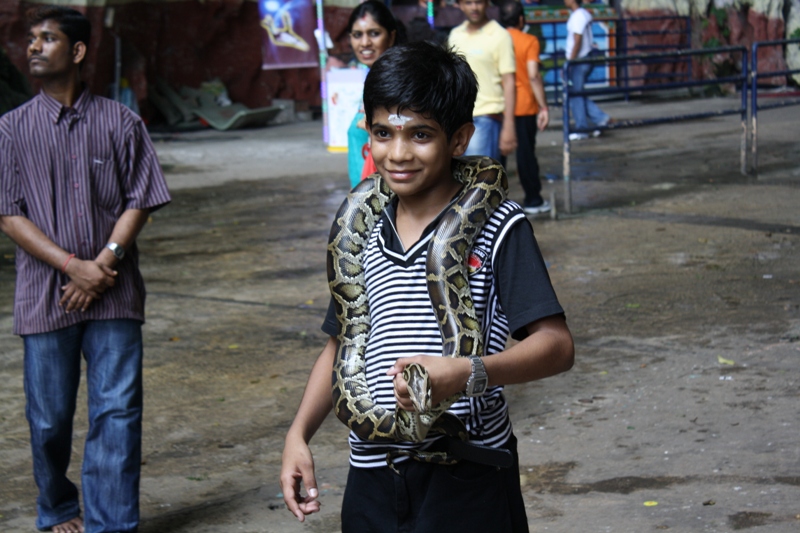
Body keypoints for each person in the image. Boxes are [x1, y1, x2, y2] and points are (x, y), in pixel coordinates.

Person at [280, 41, 574, 531]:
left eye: (420, 135)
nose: (398, 153)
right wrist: (298, 434)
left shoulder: (499, 225)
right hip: (372, 478)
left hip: (469, 475)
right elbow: (342, 343)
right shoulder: (361, 236)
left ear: (459, 139)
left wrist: (468, 373)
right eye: (383, 133)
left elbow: (557, 347)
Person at [0, 6, 171, 533]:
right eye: (31, 39)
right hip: (44, 295)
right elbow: (8, 213)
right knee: (49, 420)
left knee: (117, 413)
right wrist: (74, 267)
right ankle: (56, 505)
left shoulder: (120, 122)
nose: (33, 47)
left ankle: (110, 523)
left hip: (114, 293)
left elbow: (140, 198)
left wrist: (104, 263)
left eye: (47, 39)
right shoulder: (11, 129)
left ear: (76, 52)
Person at [448, 0, 517, 161]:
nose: (474, 7)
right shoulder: (455, 35)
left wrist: (509, 126)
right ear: (460, 5)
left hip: (486, 118)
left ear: (487, 4)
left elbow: (509, 82)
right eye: (468, 2)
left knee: (479, 182)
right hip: (457, 119)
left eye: (478, 2)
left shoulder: (500, 35)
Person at [500, 0, 551, 215]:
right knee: (526, 155)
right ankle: (532, 199)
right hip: (524, 106)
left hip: (499, 106)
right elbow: (533, 75)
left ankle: (496, 204)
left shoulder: (496, 39)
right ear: (522, 19)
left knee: (496, 158)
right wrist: (544, 107)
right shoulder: (529, 41)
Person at [344, 0, 401, 188]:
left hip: (384, 192)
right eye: (357, 35)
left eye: (374, 34)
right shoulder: (370, 79)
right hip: (364, 192)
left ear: (391, 37)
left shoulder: (398, 81)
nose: (365, 43)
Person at [564, 0, 609, 141]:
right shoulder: (582, 14)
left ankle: (582, 129)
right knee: (577, 94)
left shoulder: (578, 16)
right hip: (584, 58)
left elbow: (577, 40)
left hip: (580, 60)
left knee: (576, 94)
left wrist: (570, 62)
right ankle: (600, 118)